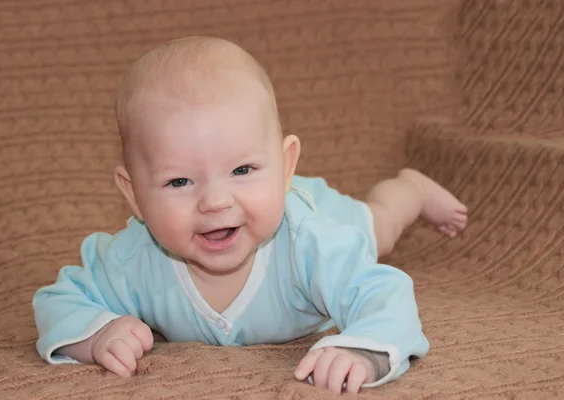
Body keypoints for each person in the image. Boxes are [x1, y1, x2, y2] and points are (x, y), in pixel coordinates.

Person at [32, 36, 468, 395]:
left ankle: (409, 188)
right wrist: (97, 334)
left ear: (285, 166)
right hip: (268, 203)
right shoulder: (132, 260)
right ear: (134, 194)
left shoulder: (314, 243)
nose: (216, 202)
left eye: (242, 170)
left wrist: (365, 351)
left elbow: (384, 295)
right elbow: (58, 301)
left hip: (317, 210)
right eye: (179, 182)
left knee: (381, 228)